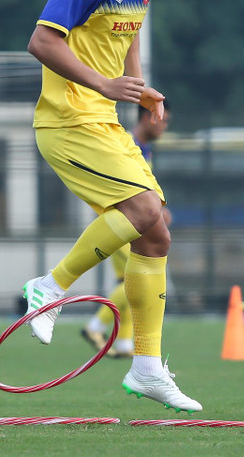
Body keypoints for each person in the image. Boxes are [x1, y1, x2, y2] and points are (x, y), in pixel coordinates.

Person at [23, 0, 201, 413]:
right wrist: (104, 83)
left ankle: (146, 367)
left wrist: (140, 89)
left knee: (156, 234)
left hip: (101, 123)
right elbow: (41, 42)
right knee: (146, 210)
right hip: (68, 123)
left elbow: (129, 36)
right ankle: (50, 287)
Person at [81, 100, 171, 358]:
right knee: (136, 279)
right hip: (124, 223)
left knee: (132, 281)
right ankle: (95, 326)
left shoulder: (144, 149)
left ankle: (123, 343)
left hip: (136, 222)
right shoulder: (127, 144)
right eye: (163, 120)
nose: (164, 126)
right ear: (148, 117)